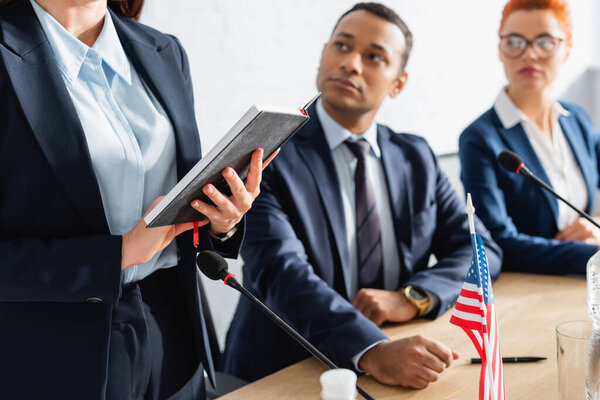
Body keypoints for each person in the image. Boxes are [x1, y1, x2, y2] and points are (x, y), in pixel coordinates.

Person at [0, 0, 273, 399]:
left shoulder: (164, 51)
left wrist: (222, 220)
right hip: (50, 351)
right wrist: (118, 254)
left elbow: (183, 192)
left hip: (172, 326)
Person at [221, 2, 501, 389]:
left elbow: (479, 249)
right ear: (322, 55)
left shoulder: (415, 156)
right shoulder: (266, 154)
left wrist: (413, 298)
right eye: (341, 45)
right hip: (284, 369)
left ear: (398, 82)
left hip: (394, 364)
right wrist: (371, 350)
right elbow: (283, 274)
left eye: (374, 57)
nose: (351, 63)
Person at [459, 0, 600, 275]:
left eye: (545, 42)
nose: (529, 54)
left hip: (586, 281)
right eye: (514, 42)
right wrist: (594, 253)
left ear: (566, 49)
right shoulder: (479, 139)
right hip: (529, 288)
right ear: (500, 49)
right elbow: (500, 243)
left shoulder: (577, 120)